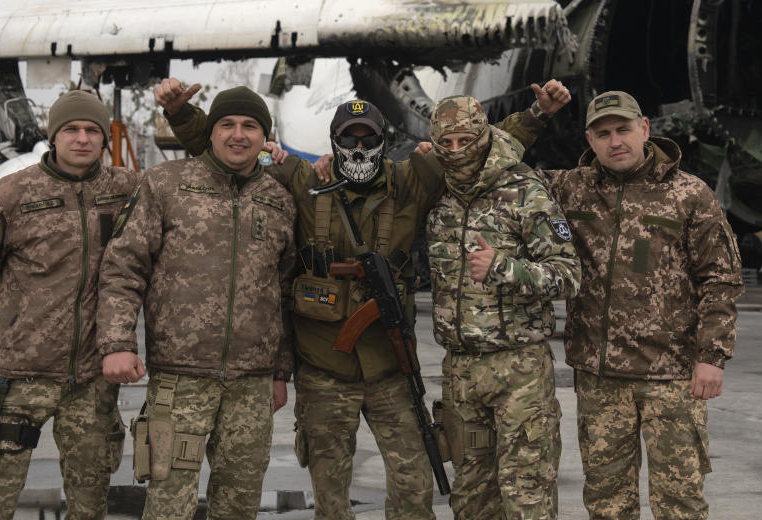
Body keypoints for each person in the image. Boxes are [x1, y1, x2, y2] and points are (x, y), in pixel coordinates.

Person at [153, 77, 564, 520]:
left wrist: (536, 116)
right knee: (331, 497)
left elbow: (471, 149)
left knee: (414, 489)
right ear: (334, 141)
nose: (359, 146)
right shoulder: (307, 183)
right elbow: (230, 150)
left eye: (369, 138)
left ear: (383, 142)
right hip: (324, 371)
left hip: (392, 369)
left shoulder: (412, 181)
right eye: (350, 138)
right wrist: (180, 114)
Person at [541, 85, 743, 519]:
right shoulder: (568, 190)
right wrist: (534, 115)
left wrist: (713, 356)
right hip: (599, 378)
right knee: (607, 504)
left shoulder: (690, 195)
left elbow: (721, 279)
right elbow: (499, 171)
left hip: (671, 376)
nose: (616, 141)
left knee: (680, 503)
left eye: (624, 129)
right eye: (603, 133)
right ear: (589, 141)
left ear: (645, 129)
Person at [97, 86, 296, 520]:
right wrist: (117, 342)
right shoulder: (166, 185)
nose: (238, 135)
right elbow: (122, 268)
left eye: (250, 126)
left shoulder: (279, 200)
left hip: (252, 385)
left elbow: (282, 293)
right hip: (179, 382)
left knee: (240, 508)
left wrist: (280, 373)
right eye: (227, 124)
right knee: (168, 508)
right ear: (211, 131)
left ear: (266, 136)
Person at [0, 90, 139, 520]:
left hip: (92, 376)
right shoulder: (7, 196)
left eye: (92, 130)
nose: (82, 139)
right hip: (21, 375)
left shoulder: (126, 189)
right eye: (71, 129)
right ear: (54, 136)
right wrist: (15, 319)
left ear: (103, 139)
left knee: (90, 499)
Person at [424, 96, 581, 519]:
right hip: (460, 372)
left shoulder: (524, 191)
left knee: (526, 496)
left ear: (484, 136)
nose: (457, 151)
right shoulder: (438, 193)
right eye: (447, 142)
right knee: (471, 499)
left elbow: (568, 274)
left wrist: (505, 269)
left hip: (519, 371)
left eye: (466, 140)